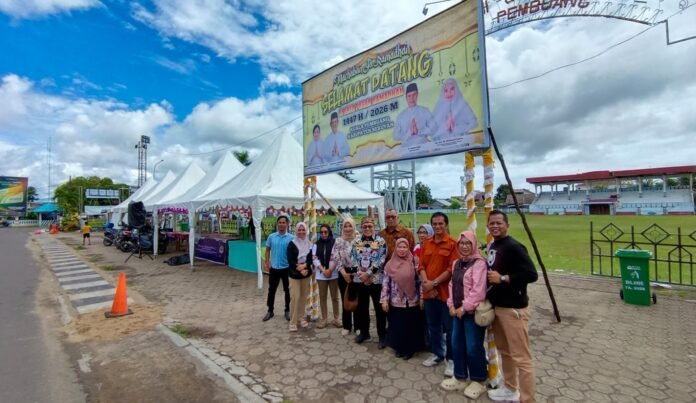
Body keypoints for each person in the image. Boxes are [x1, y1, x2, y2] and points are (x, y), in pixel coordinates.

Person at [486, 210, 538, 403]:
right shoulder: (494, 245)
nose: (495, 226)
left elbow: (531, 274)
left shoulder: (514, 247)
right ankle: (510, 388)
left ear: (507, 225)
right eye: (492, 223)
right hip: (498, 307)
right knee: (505, 351)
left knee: (521, 358)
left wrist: (502, 278)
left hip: (513, 309)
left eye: (499, 223)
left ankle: (527, 399)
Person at [440, 230, 488, 399]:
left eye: (468, 243)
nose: (465, 246)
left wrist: (464, 308)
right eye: (462, 243)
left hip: (471, 313)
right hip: (457, 312)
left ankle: (478, 380)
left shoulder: (479, 264)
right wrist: (451, 305)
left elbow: (478, 291)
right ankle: (460, 376)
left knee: (473, 347)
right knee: (456, 344)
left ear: (474, 244)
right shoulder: (457, 263)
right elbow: (452, 285)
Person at [418, 212, 457, 376]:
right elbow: (421, 265)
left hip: (445, 294)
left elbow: (451, 269)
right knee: (433, 325)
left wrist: (433, 283)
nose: (437, 226)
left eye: (441, 223)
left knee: (449, 328)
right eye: (434, 224)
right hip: (429, 293)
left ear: (446, 224)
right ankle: (437, 354)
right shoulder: (427, 243)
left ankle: (451, 359)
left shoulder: (453, 244)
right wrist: (427, 284)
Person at [380, 238, 425, 360]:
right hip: (396, 300)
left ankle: (409, 349)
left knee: (410, 325)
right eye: (399, 247)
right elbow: (385, 283)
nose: (402, 249)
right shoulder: (390, 264)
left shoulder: (414, 261)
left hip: (412, 300)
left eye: (404, 247)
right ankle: (398, 348)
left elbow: (420, 281)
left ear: (408, 248)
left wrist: (422, 297)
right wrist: (384, 300)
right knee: (397, 325)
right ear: (395, 248)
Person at [350, 216, 387, 347]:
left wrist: (368, 274)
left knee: (379, 309)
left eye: (370, 226)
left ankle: (382, 335)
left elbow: (381, 259)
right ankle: (364, 332)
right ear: (361, 227)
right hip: (360, 279)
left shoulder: (380, 241)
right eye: (364, 226)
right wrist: (362, 274)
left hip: (375, 280)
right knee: (362, 308)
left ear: (374, 227)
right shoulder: (357, 241)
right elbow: (354, 259)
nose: (367, 228)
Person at [330, 216, 358, 336]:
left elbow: (362, 257)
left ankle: (358, 326)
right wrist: (344, 273)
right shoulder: (338, 241)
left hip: (356, 272)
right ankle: (347, 326)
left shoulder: (358, 240)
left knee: (356, 298)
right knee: (345, 297)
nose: (347, 228)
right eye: (345, 226)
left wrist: (355, 272)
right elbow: (335, 257)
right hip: (343, 273)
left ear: (353, 227)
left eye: (350, 226)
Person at [263, 215, 293, 322]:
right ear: (277, 224)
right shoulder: (271, 237)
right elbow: (267, 250)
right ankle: (270, 310)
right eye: (280, 222)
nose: (281, 224)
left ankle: (287, 310)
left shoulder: (291, 238)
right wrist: (267, 261)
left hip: (286, 268)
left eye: (283, 222)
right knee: (271, 290)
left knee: (287, 290)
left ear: (287, 224)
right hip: (274, 268)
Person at [287, 222, 313, 332]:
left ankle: (301, 318)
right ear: (296, 231)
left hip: (306, 273)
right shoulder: (292, 244)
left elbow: (311, 259)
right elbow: (290, 260)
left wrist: (305, 266)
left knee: (303, 297)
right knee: (295, 297)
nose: (301, 232)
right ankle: (293, 322)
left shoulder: (309, 244)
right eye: (299, 230)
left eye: (303, 230)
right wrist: (300, 269)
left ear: (306, 231)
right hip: (294, 274)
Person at [313, 223, 340, 329]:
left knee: (335, 297)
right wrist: (323, 270)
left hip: (333, 273)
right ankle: (324, 319)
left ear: (329, 232)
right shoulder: (316, 244)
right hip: (321, 274)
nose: (323, 234)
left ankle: (336, 318)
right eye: (321, 232)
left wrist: (330, 270)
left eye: (325, 232)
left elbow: (337, 257)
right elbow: (314, 258)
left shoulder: (335, 243)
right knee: (322, 297)